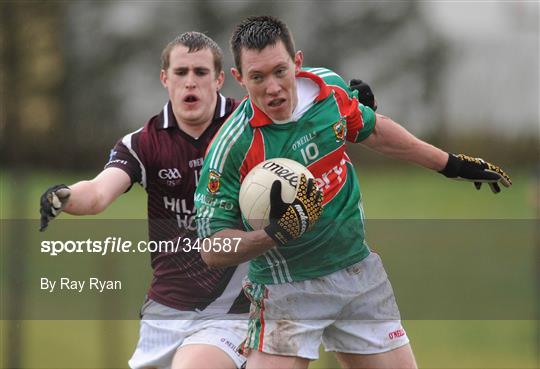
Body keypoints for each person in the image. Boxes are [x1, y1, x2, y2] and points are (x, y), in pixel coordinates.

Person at [38, 31, 378, 369]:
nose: (190, 82)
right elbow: (98, 193)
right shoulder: (143, 144)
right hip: (167, 309)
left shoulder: (249, 127)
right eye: (180, 72)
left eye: (200, 72)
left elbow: (309, 129)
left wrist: (356, 107)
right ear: (164, 79)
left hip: (232, 309)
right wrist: (65, 197)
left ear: (219, 79)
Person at [194, 16, 512, 369]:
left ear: (297, 62)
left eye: (280, 71)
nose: (273, 87)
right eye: (257, 77)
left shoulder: (327, 90)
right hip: (287, 293)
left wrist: (450, 164)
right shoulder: (232, 147)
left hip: (357, 275)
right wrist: (273, 235)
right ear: (239, 78)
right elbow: (211, 249)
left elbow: (374, 131)